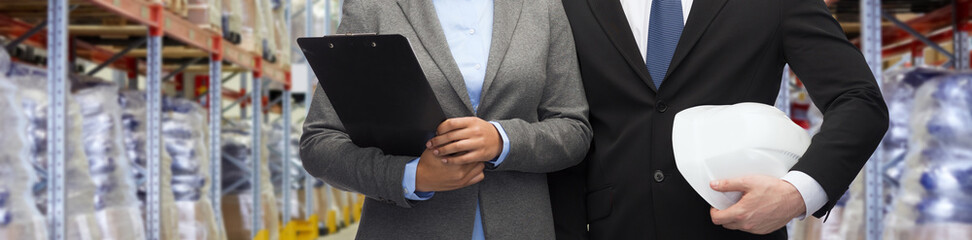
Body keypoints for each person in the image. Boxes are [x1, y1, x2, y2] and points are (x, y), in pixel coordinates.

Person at [550, 0, 889, 239]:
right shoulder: (566, 5)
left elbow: (859, 100)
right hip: (614, 228)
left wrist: (796, 194)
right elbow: (562, 124)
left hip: (736, 228)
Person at [299, 0, 592, 239]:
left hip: (520, 227)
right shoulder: (375, 6)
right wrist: (410, 176)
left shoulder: (543, 7)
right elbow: (319, 142)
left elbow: (573, 129)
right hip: (406, 229)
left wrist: (503, 141)